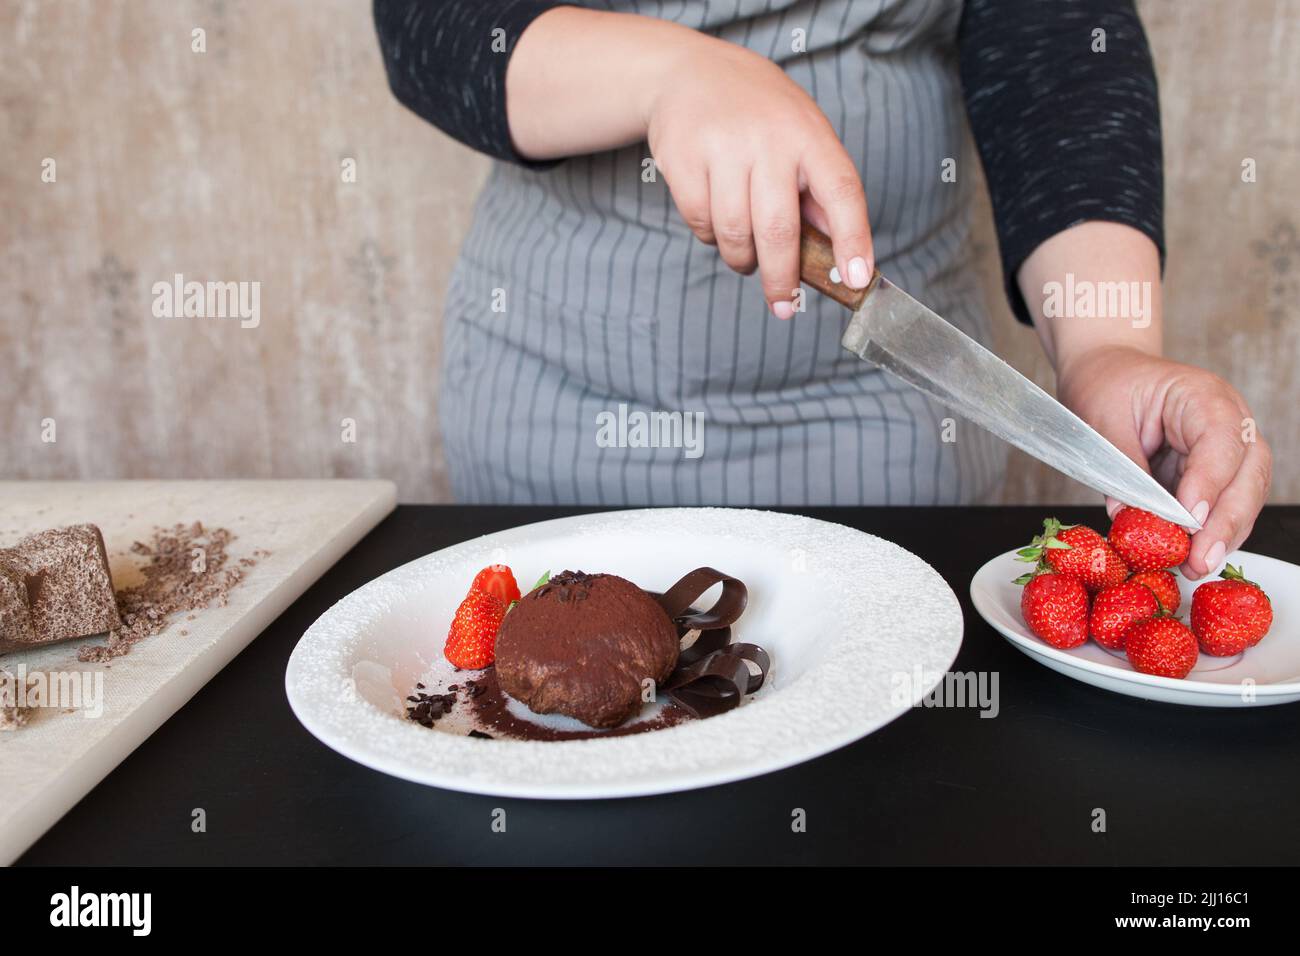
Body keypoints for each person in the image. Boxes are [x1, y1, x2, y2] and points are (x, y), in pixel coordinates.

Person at [373, 0, 1270, 581]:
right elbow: (430, 24)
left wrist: (1108, 346)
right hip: (563, 417)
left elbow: (1058, 33)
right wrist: (672, 71)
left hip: (900, 446)